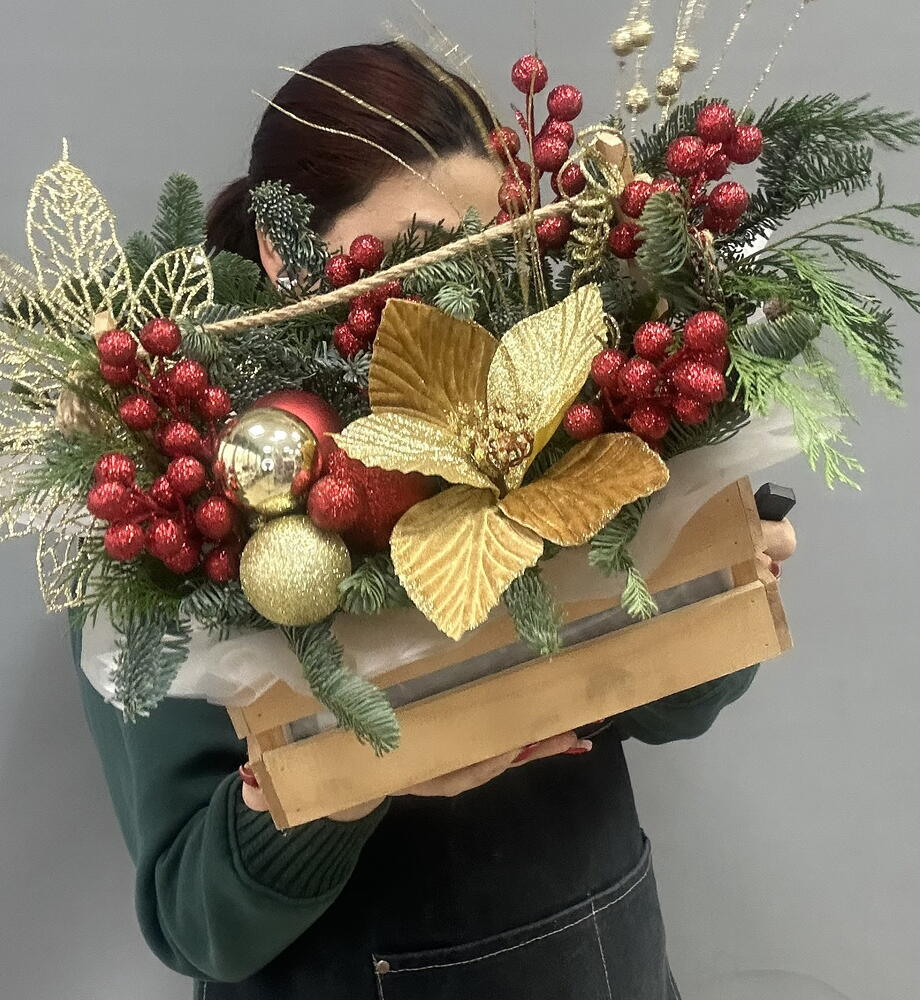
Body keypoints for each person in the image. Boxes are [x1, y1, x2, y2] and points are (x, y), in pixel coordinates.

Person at [71, 40, 797, 1000]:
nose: (459, 308)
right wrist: (348, 777)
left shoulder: (559, 384)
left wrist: (709, 584)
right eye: (406, 262)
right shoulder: (185, 486)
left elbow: (674, 707)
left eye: (489, 254)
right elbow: (193, 920)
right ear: (286, 253)